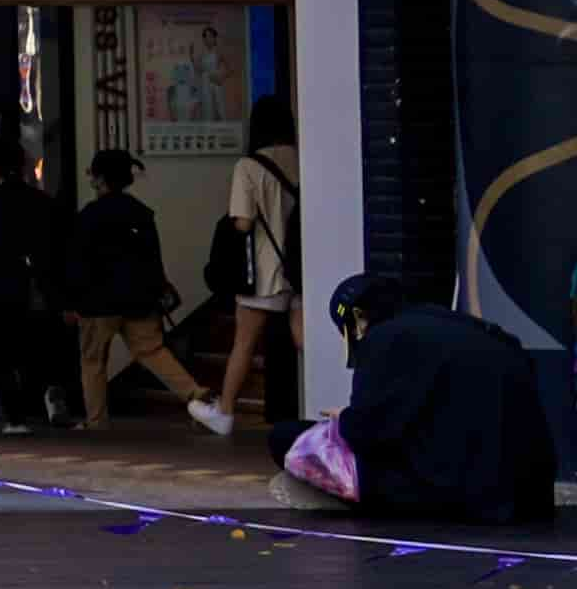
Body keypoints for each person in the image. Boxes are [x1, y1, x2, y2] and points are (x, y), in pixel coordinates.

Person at [297, 271, 559, 528]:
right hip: (531, 494)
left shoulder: (383, 339)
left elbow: (368, 434)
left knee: (290, 436)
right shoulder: (459, 325)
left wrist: (343, 418)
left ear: (357, 319)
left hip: (468, 496)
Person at [54, 148, 217, 430]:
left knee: (93, 362)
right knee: (153, 352)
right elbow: (153, 260)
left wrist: (70, 301)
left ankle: (97, 422)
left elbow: (77, 264)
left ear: (100, 180)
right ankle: (196, 395)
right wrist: (158, 289)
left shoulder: (89, 216)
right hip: (139, 300)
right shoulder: (141, 213)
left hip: (97, 304)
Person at [0, 124, 72, 433]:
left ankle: (15, 418)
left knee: (3, 355)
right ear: (21, 165)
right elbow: (56, 248)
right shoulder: (41, 202)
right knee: (39, 348)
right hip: (37, 288)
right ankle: (50, 393)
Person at [200, 100, 302, 440]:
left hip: (265, 270)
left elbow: (242, 223)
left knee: (243, 342)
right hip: (302, 266)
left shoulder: (248, 166)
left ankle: (225, 412)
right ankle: (321, 400)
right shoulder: (303, 155)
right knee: (303, 338)